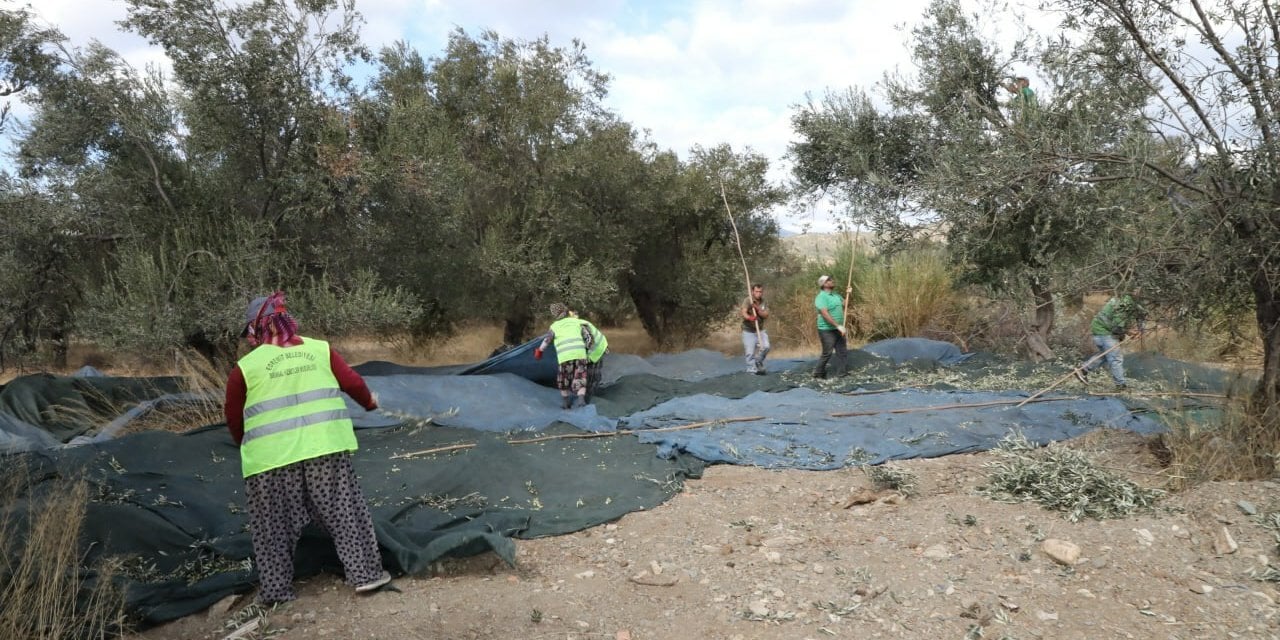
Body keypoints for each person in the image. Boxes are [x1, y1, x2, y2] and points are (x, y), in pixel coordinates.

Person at [224, 291, 390, 605]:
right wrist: (369, 403)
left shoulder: (245, 369)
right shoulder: (320, 350)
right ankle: (366, 576)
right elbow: (352, 382)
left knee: (273, 527)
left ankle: (276, 592)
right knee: (344, 514)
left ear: (255, 331)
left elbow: (233, 416)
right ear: (287, 321)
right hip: (324, 450)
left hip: (271, 461)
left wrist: (244, 443)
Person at [535, 303, 604, 409]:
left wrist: (540, 351)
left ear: (554, 315)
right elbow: (587, 336)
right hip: (580, 354)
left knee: (563, 378)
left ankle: (566, 403)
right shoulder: (576, 322)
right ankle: (581, 401)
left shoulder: (554, 326)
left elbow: (547, 340)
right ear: (566, 311)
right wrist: (589, 350)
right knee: (580, 376)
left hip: (565, 356)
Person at [1075, 293, 1146, 390]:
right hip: (1103, 331)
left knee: (1106, 355)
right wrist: (1129, 331)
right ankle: (1121, 385)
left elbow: (1141, 315)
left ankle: (1083, 370)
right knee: (1116, 358)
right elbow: (1117, 328)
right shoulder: (1123, 306)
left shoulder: (1134, 303)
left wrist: (1140, 330)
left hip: (1101, 329)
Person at [813, 275, 849, 379]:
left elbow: (845, 304)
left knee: (842, 352)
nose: (831, 281)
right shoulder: (821, 297)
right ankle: (818, 373)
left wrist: (848, 294)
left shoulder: (836, 295)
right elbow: (824, 313)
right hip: (826, 330)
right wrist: (838, 326)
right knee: (827, 353)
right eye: (828, 280)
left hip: (838, 329)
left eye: (831, 279)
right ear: (823, 284)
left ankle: (842, 374)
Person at [740, 283, 771, 375]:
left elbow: (766, 315)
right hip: (748, 330)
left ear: (762, 292)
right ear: (753, 292)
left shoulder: (764, 302)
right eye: (756, 291)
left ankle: (758, 361)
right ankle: (751, 370)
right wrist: (750, 318)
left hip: (760, 330)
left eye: (760, 291)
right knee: (750, 353)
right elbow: (744, 312)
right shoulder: (748, 300)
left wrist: (757, 309)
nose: (758, 293)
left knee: (766, 347)